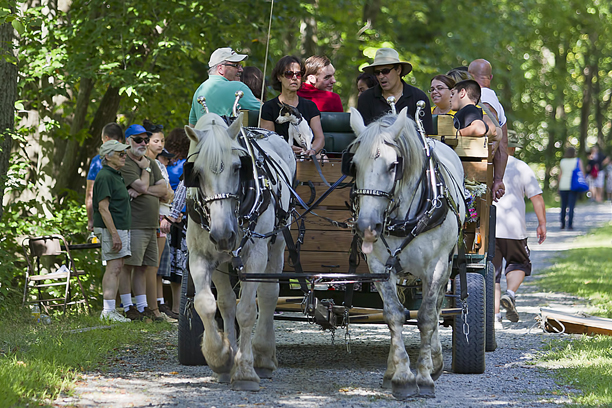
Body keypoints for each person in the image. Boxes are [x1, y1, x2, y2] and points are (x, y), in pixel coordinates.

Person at [120, 124, 173, 322]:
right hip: (134, 222)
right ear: (128, 141)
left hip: (152, 223)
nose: (142, 143)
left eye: (144, 140)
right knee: (129, 266)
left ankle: (143, 308)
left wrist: (143, 189)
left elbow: (165, 192)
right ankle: (128, 307)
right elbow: (142, 184)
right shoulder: (126, 162)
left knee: (145, 266)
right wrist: (144, 176)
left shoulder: (151, 161)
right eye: (138, 139)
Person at [493, 133, 546, 325]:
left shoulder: (487, 164)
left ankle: (495, 317)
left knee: (493, 273)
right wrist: (542, 224)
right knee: (519, 263)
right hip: (514, 228)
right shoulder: (521, 167)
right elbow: (536, 198)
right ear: (513, 147)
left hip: (489, 227)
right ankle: (510, 294)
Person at [93, 140, 133, 322]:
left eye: (124, 153)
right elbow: (103, 208)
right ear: (108, 156)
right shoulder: (104, 176)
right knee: (114, 267)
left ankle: (111, 310)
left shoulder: (116, 174)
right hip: (111, 228)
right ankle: (107, 311)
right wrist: (114, 234)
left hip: (120, 227)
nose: (124, 156)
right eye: (120, 153)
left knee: (118, 267)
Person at [143, 120, 177, 320]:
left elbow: (169, 192)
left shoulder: (160, 164)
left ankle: (158, 303)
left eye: (162, 140)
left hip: (165, 214)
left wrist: (166, 193)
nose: (161, 144)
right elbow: (159, 191)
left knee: (158, 266)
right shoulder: (147, 164)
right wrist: (165, 193)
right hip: (155, 216)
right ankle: (151, 307)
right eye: (156, 140)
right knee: (152, 264)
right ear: (147, 142)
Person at [357, 47, 434, 134]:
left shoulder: (418, 97)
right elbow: (364, 135)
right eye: (377, 73)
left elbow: (426, 136)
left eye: (385, 71)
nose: (381, 76)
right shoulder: (366, 98)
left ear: (398, 70)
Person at [260, 55, 325, 157]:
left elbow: (319, 138)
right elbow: (268, 140)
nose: (294, 78)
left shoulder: (310, 106)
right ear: (279, 77)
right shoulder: (269, 107)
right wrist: (286, 149)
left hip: (307, 157)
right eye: (289, 74)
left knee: (322, 157)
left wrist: (312, 150)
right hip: (280, 157)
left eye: (298, 74)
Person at [468, 59, 509, 202]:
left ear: (469, 75)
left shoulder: (478, 97)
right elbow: (503, 146)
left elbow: (490, 133)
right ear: (490, 77)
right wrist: (498, 179)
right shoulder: (497, 104)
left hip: (472, 174)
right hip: (485, 174)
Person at [188, 47, 261, 125]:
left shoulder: (199, 90)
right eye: (236, 65)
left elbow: (192, 126)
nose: (241, 70)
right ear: (220, 68)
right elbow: (267, 111)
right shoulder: (237, 87)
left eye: (241, 65)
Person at [86, 123, 124, 232]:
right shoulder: (128, 159)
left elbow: (90, 193)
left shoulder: (97, 161)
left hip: (103, 219)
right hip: (127, 218)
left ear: (106, 138)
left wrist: (90, 220)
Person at [558, 146, 584, 230]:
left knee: (563, 205)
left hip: (563, 185)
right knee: (571, 206)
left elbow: (560, 174)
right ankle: (570, 225)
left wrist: (558, 185)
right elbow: (582, 173)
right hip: (573, 185)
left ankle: (562, 223)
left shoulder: (562, 161)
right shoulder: (577, 161)